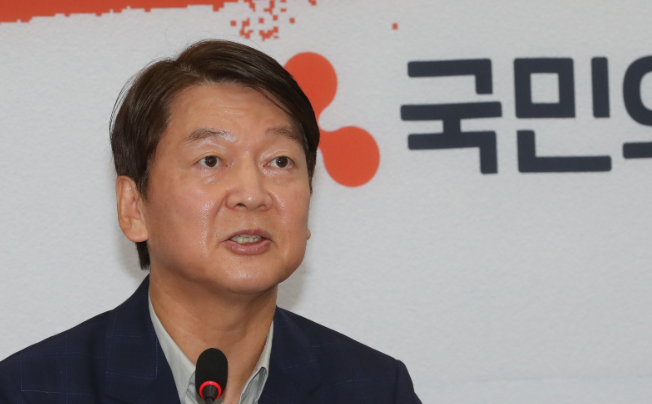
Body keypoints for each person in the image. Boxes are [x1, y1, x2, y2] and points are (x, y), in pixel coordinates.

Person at [0, 39, 420, 404]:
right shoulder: (30, 390)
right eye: (211, 161)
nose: (252, 194)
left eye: (279, 161)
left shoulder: (375, 389)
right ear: (134, 207)